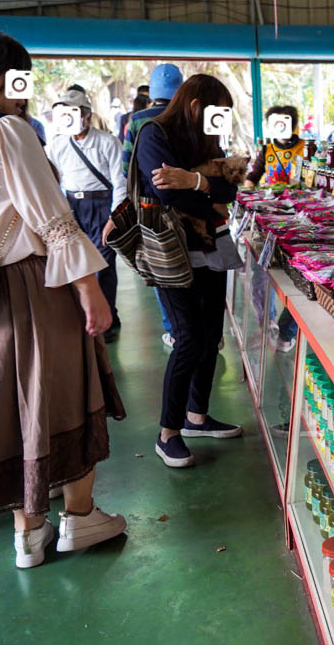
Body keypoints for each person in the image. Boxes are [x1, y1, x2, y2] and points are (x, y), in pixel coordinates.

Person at [0, 25, 126, 568]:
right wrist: (91, 291)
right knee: (67, 393)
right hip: (29, 285)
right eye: (14, 78)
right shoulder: (5, 131)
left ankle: (28, 535)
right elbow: (52, 222)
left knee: (6, 408)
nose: (23, 90)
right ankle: (80, 518)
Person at [123, 74, 244, 468]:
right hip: (171, 251)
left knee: (210, 337)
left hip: (211, 247)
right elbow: (167, 194)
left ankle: (197, 416)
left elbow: (231, 188)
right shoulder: (154, 134)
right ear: (195, 106)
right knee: (188, 337)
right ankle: (168, 433)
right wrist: (209, 194)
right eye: (216, 112)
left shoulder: (207, 139)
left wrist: (194, 180)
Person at [47, 89, 124, 342]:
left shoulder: (107, 142)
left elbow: (119, 181)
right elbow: (52, 179)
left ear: (87, 116)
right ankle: (88, 318)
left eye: (75, 112)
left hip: (101, 207)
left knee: (103, 265)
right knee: (77, 265)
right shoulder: (57, 145)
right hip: (72, 207)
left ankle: (108, 319)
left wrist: (115, 216)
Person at [118, 63, 184, 349]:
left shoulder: (138, 120)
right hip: (186, 200)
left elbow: (125, 166)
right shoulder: (187, 116)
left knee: (161, 264)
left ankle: (173, 328)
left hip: (150, 205)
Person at [245, 104, 305, 188]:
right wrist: (248, 187)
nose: (281, 126)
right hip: (272, 198)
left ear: (292, 124)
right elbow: (254, 175)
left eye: (284, 122)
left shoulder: (306, 147)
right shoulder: (266, 149)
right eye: (277, 123)